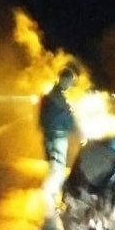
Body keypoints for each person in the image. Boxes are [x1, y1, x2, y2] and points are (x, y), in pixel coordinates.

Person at [38, 66, 78, 213]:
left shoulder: (53, 95)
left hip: (52, 137)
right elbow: (67, 118)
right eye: (70, 81)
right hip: (57, 138)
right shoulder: (57, 98)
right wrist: (78, 131)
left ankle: (51, 201)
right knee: (57, 171)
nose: (70, 85)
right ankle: (49, 201)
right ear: (64, 79)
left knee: (56, 169)